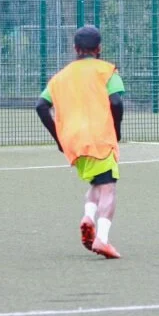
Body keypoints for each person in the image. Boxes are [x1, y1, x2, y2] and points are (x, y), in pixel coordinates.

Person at [35, 26, 125, 259]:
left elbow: (41, 106)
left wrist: (58, 137)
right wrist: (116, 131)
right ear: (99, 49)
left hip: (74, 140)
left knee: (97, 183)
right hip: (99, 138)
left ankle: (88, 217)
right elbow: (116, 102)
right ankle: (102, 240)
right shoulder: (106, 71)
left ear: (75, 49)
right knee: (109, 188)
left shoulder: (60, 77)